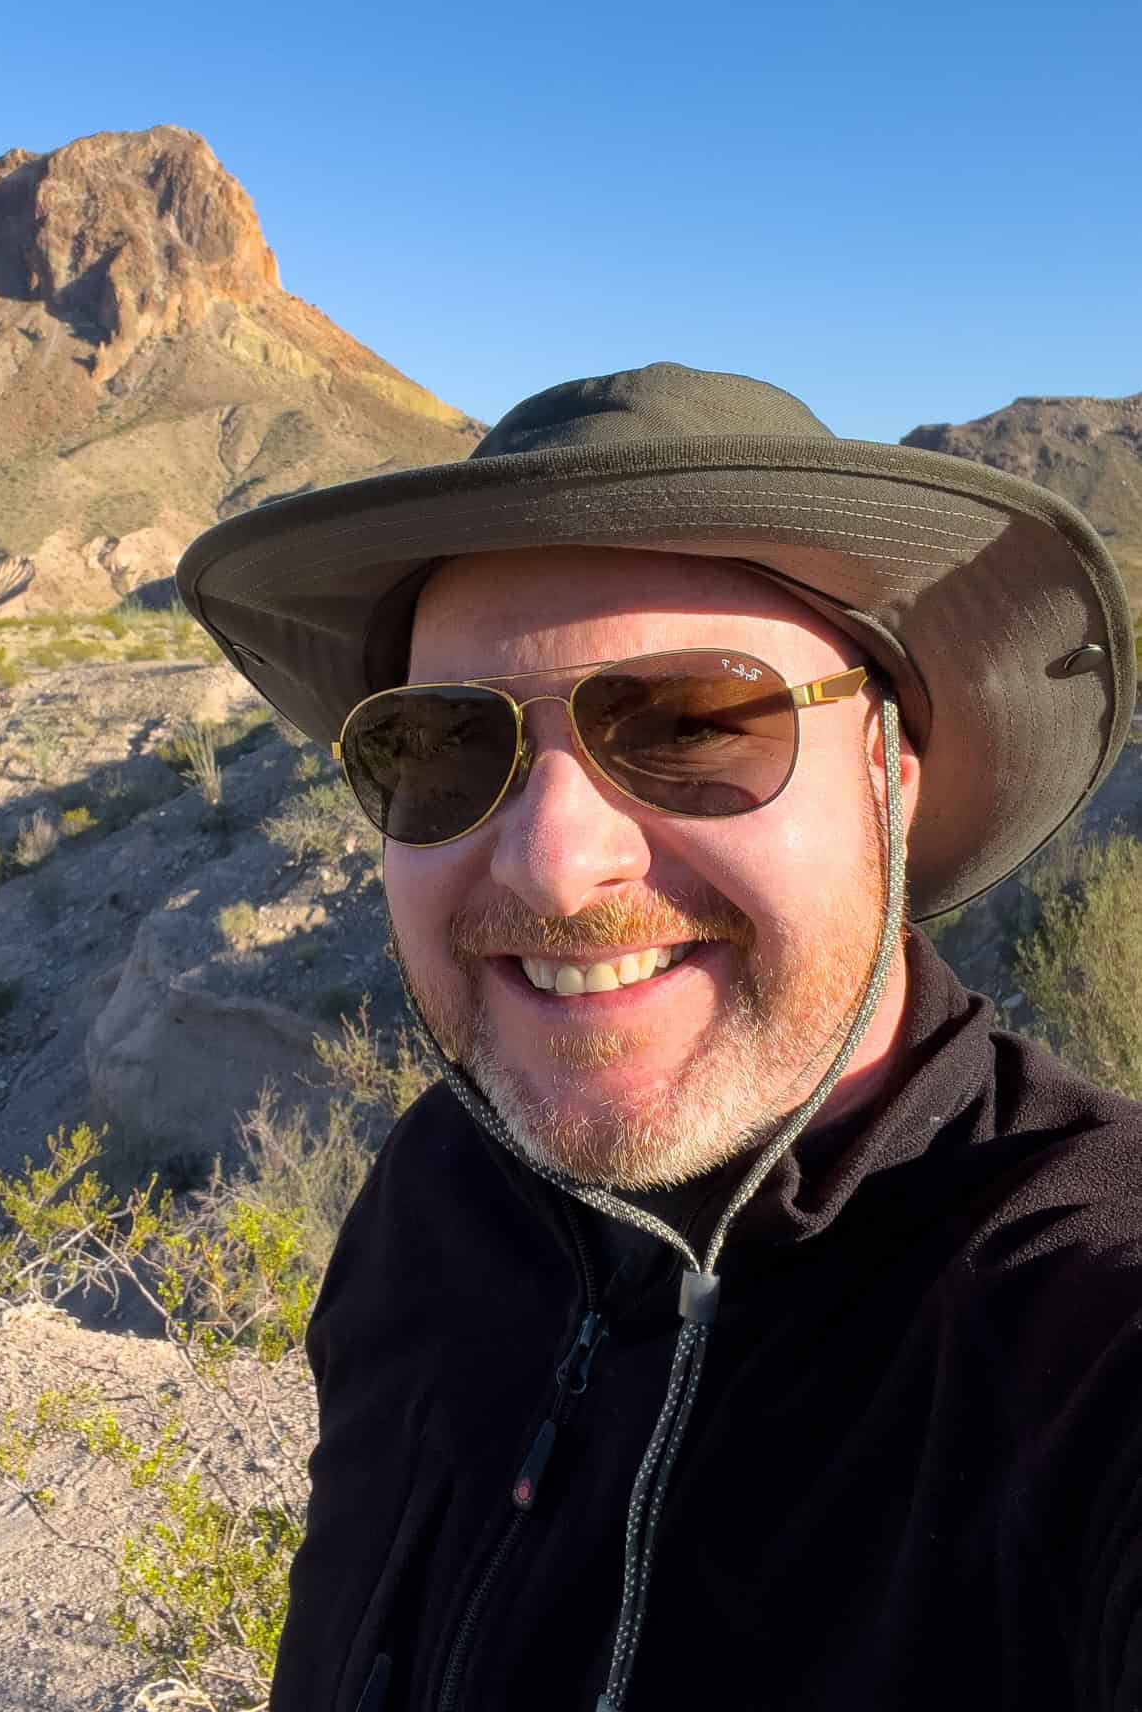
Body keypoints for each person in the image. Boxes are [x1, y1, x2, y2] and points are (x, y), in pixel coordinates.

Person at [175, 362, 1141, 1712]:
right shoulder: (435, 1197)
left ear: (892, 778)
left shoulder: (1076, 1323)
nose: (556, 865)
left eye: (692, 725)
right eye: (446, 749)